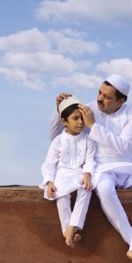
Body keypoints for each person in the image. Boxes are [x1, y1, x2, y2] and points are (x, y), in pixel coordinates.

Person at [50, 75, 132, 263]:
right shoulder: (88, 107)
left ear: (121, 101)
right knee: (103, 188)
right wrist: (58, 109)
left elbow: (124, 148)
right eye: (99, 93)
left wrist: (93, 126)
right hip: (101, 168)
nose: (100, 99)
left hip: (129, 166)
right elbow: (59, 138)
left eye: (107, 97)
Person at [41, 95, 97, 248]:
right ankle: (67, 231)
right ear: (64, 122)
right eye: (75, 118)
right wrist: (49, 181)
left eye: (81, 118)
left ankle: (73, 227)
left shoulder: (89, 139)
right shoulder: (58, 141)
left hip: (80, 173)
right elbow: (49, 163)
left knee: (86, 189)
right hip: (63, 174)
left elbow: (91, 160)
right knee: (61, 196)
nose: (80, 122)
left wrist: (87, 174)